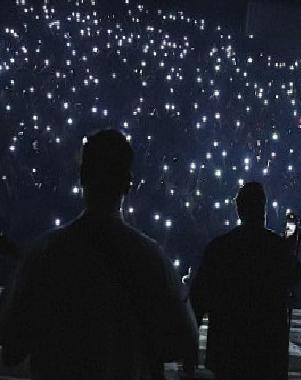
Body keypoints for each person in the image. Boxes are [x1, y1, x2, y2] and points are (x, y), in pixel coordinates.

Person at [0, 129, 198, 379]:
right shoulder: (152, 259)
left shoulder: (44, 254)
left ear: (82, 176)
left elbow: (12, 347)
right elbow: (183, 342)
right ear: (128, 182)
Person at [189, 182, 301, 380]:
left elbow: (198, 300)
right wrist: (291, 246)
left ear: (239, 210)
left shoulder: (220, 248)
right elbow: (294, 278)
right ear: (263, 210)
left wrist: (189, 355)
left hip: (227, 351)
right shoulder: (277, 248)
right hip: (267, 353)